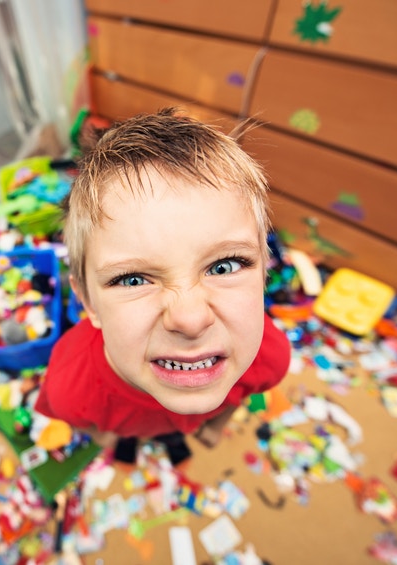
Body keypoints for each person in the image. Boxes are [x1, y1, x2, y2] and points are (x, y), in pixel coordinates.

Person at [33, 108, 291, 465]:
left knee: (174, 436)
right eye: (133, 279)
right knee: (127, 440)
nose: (190, 319)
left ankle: (172, 438)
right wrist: (105, 436)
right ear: (88, 303)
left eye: (224, 266)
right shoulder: (69, 386)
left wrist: (218, 423)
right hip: (125, 424)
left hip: (182, 423)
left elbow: (250, 393)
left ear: (264, 274)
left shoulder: (270, 358)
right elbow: (80, 420)